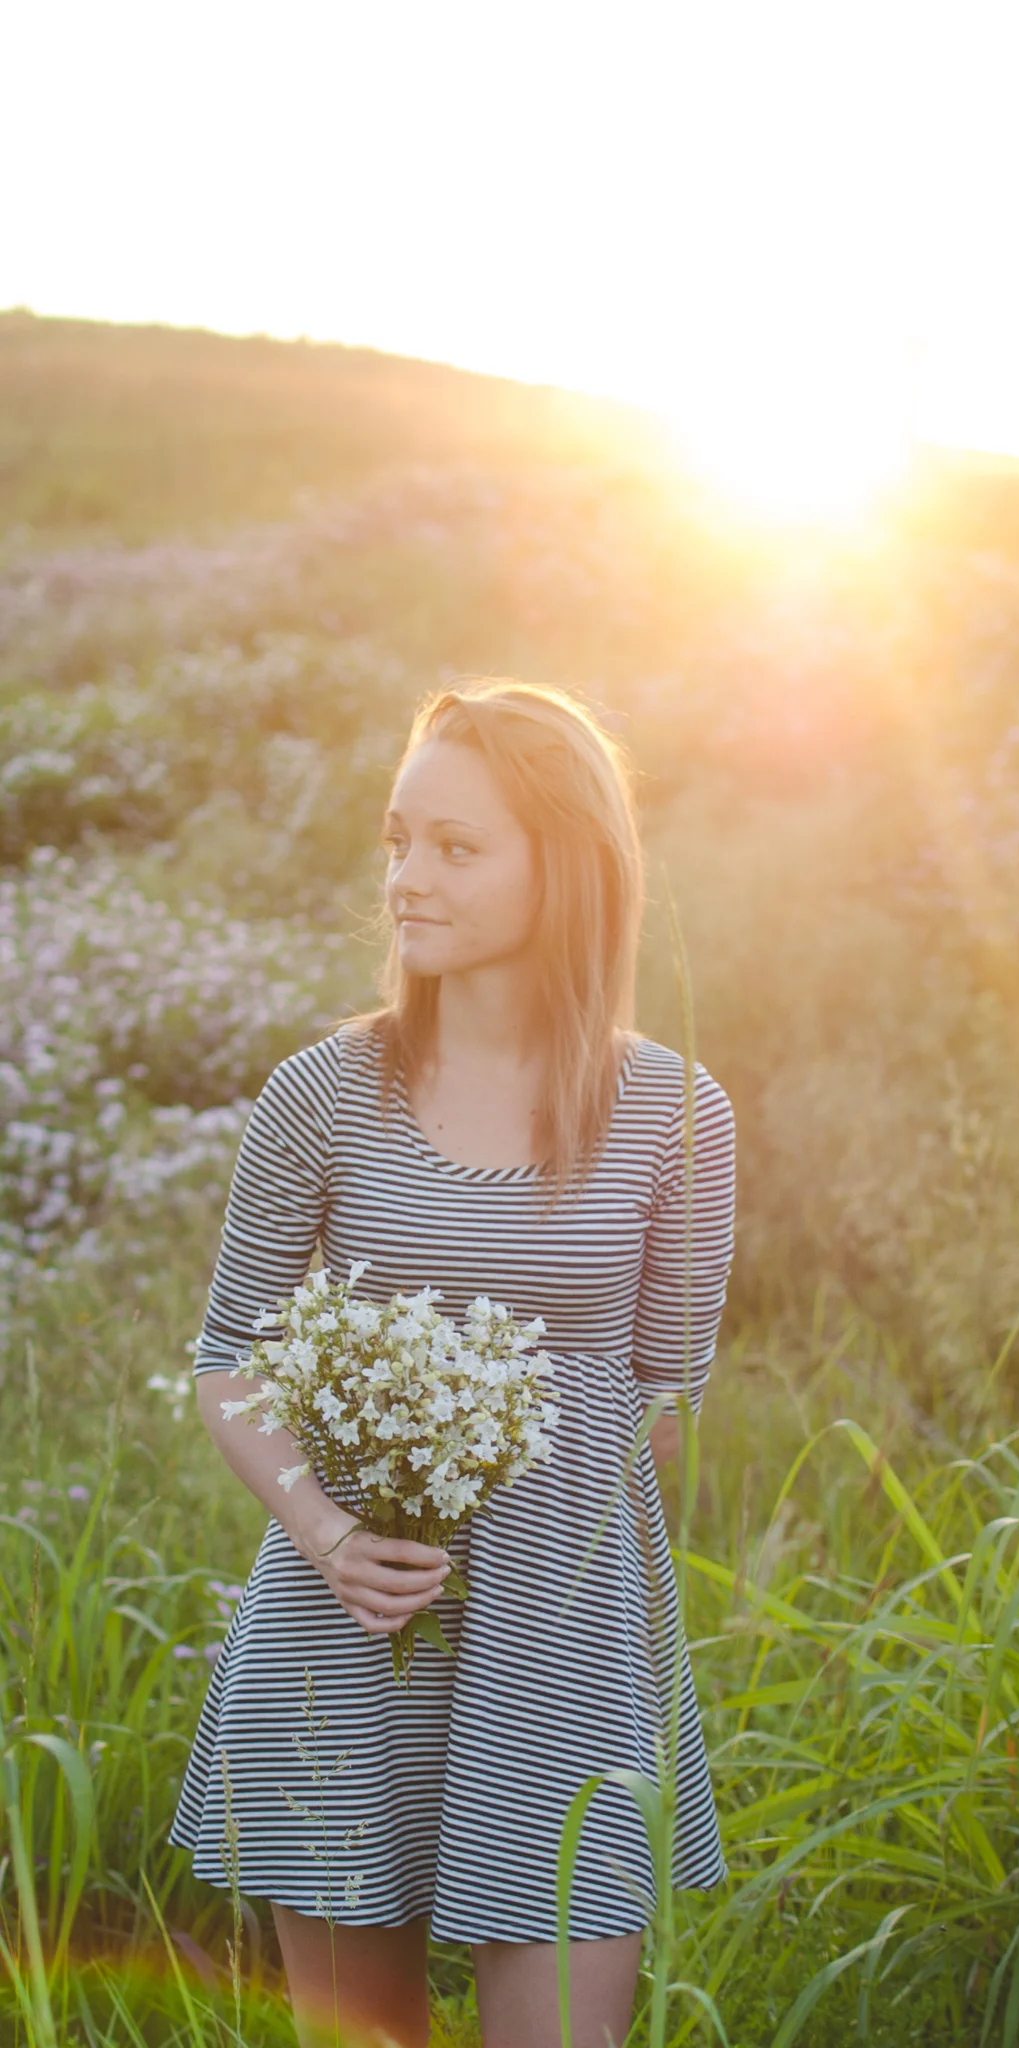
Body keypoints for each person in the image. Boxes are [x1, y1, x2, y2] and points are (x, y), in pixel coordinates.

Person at [169, 679, 735, 2048]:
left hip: (566, 1639)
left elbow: (665, 1401)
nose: (406, 879)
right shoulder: (322, 1093)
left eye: (456, 847)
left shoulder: (676, 1112)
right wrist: (332, 1534)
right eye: (397, 840)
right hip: (349, 1621)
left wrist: (540, 1536)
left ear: (567, 865)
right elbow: (231, 1356)